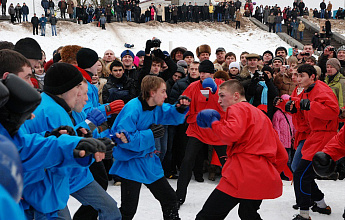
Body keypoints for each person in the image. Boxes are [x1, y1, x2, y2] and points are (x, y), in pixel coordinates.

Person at [195, 79, 288, 220]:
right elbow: (282, 155)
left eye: (222, 95)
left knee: (207, 216)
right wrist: (270, 173)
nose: (219, 100)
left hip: (241, 173)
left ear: (236, 96)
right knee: (248, 215)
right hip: (260, 174)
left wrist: (214, 123)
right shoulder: (261, 115)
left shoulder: (237, 108)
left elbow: (229, 135)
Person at [109, 75, 191, 220]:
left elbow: (168, 112)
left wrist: (179, 109)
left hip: (148, 162)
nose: (166, 95)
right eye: (163, 91)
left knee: (170, 199)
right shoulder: (132, 109)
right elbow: (122, 139)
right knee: (128, 210)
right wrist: (150, 134)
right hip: (131, 164)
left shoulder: (155, 106)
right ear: (152, 92)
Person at [286, 64, 338, 220]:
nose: (299, 79)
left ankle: (304, 213)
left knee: (301, 173)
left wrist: (310, 105)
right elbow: (303, 118)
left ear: (312, 77)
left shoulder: (322, 90)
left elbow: (333, 111)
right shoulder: (306, 91)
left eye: (302, 75)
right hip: (312, 136)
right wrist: (288, 106)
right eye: (297, 75)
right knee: (301, 172)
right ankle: (320, 205)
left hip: (323, 137)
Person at [176, 60, 227, 206]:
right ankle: (179, 197)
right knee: (187, 161)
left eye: (205, 72)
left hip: (217, 129)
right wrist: (181, 104)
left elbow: (232, 103)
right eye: (201, 72)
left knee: (227, 163)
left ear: (212, 73)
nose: (202, 75)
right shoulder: (193, 86)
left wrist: (216, 90)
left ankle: (238, 193)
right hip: (197, 129)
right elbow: (182, 103)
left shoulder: (221, 85)